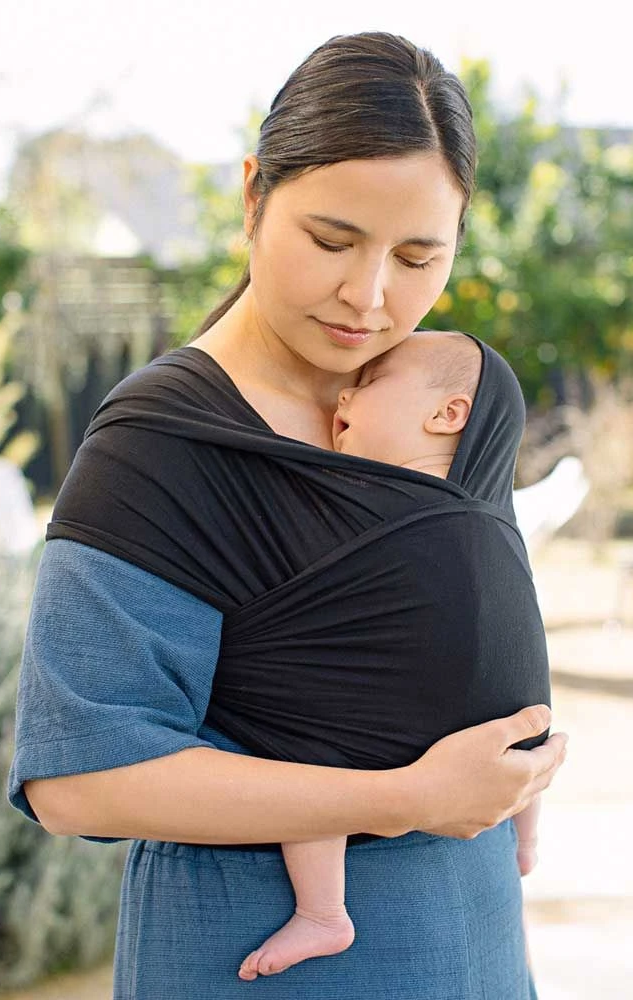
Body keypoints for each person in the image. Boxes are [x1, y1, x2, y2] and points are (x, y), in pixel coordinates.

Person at [8, 31, 567, 999]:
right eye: (331, 240)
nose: (371, 295)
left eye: (419, 255)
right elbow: (78, 779)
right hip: (261, 959)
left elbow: (467, 617)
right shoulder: (164, 448)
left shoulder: (453, 407)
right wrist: (402, 798)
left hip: (471, 941)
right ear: (252, 195)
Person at [238, 330, 546, 982]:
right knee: (527, 729)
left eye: (373, 380)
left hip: (387, 721)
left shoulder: (369, 505)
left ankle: (323, 911)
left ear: (448, 414)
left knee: (306, 751)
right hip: (506, 718)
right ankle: (527, 838)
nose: (345, 391)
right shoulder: (493, 522)